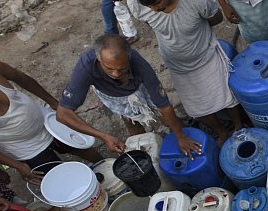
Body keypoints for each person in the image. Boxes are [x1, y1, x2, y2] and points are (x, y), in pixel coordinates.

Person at [123, 0, 245, 143]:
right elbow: (152, 23)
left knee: (229, 98)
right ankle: (221, 132)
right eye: (150, 6)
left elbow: (216, 18)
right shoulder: (136, 4)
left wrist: (193, 32)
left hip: (206, 56)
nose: (155, 9)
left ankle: (238, 126)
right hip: (177, 65)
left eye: (158, 3)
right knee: (197, 109)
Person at [57, 34, 202, 157]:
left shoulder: (140, 66)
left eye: (122, 68)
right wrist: (103, 136)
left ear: (129, 57)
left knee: (167, 118)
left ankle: (184, 132)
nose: (115, 74)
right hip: (112, 94)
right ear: (98, 59)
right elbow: (63, 114)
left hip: (139, 86)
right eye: (109, 68)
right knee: (132, 122)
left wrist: (181, 137)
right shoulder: (86, 66)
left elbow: (164, 105)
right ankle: (146, 156)